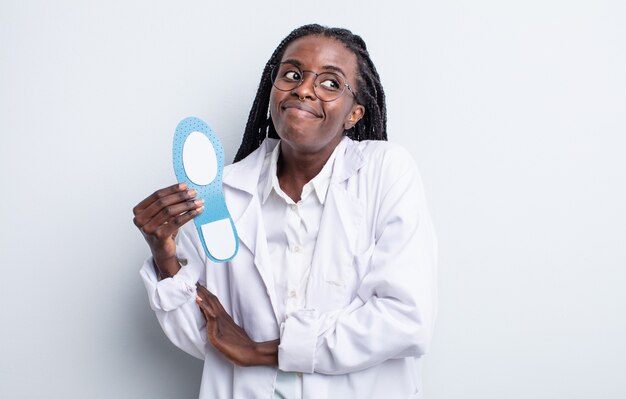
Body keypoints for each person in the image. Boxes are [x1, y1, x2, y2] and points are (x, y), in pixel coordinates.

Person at [132, 24, 437, 399]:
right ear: (271, 90)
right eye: (292, 74)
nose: (304, 88)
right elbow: (208, 338)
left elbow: (405, 320)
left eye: (329, 83)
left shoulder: (384, 172)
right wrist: (164, 258)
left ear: (354, 113)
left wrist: (262, 351)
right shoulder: (219, 193)